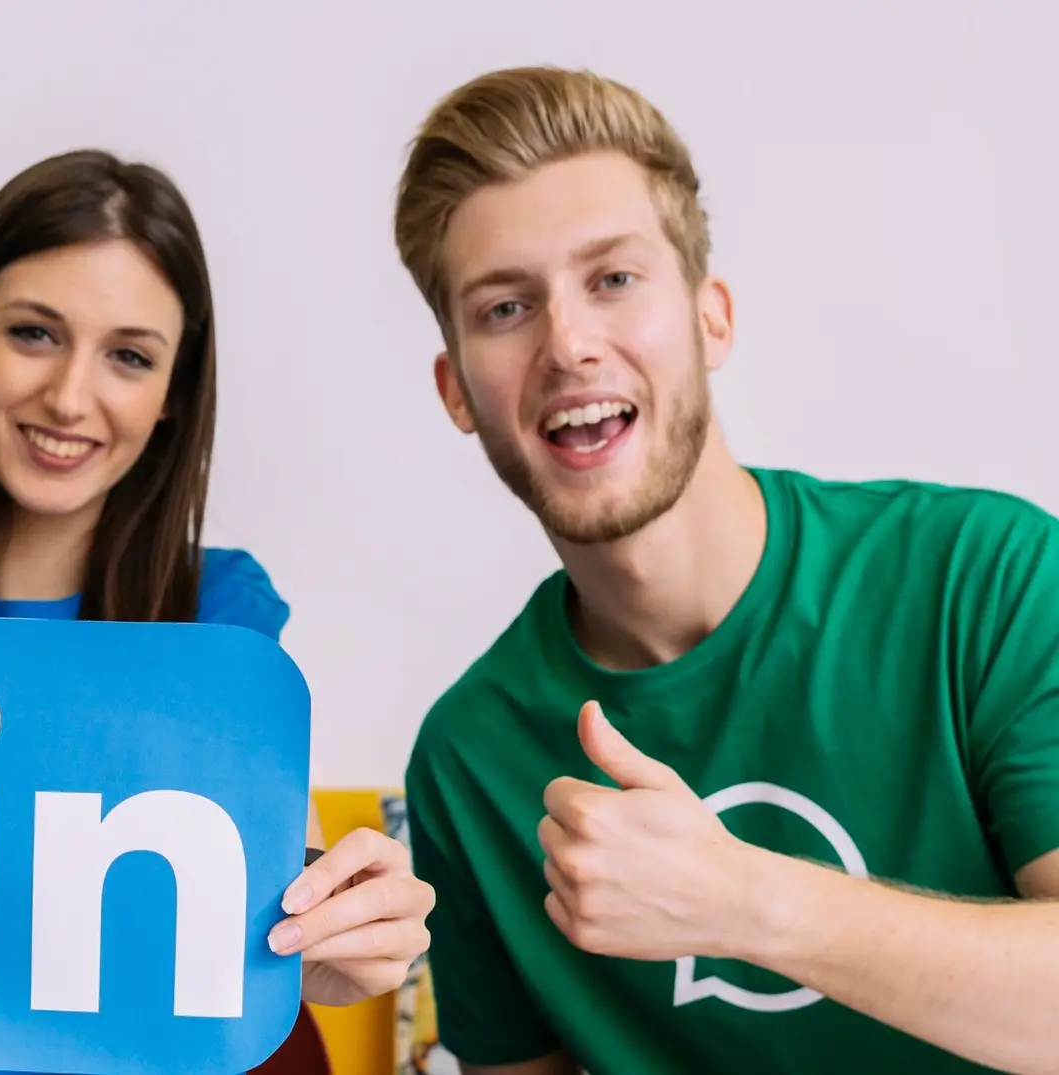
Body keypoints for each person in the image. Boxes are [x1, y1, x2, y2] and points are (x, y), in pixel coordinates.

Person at [392, 65, 1059, 1075]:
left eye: (612, 278)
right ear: (456, 390)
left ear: (712, 320)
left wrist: (744, 901)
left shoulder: (986, 578)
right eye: (504, 308)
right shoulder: (468, 758)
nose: (569, 343)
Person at [0, 149, 435, 1074]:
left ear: (171, 397)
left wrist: (344, 928)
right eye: (34, 333)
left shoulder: (220, 607)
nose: (71, 397)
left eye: (128, 355)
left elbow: (272, 877)